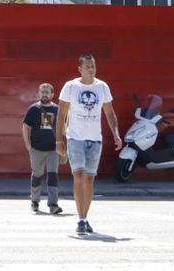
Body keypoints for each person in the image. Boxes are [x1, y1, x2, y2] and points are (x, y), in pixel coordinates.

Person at [56, 54, 122, 235]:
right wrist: (58, 140)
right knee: (78, 175)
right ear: (80, 69)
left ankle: (85, 217)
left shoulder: (102, 87)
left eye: (93, 65)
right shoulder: (71, 87)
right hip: (75, 138)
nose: (91, 69)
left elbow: (109, 113)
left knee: (89, 179)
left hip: (95, 139)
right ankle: (81, 220)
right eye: (87, 66)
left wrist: (116, 134)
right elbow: (61, 115)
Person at [22, 83, 62, 215]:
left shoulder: (58, 109)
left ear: (52, 94)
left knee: (52, 176)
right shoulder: (33, 109)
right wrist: (28, 145)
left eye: (47, 92)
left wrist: (63, 146)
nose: (44, 94)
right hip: (37, 148)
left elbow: (64, 129)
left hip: (53, 149)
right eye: (42, 92)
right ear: (39, 94)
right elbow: (25, 127)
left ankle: (53, 204)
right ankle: (35, 201)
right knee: (37, 176)